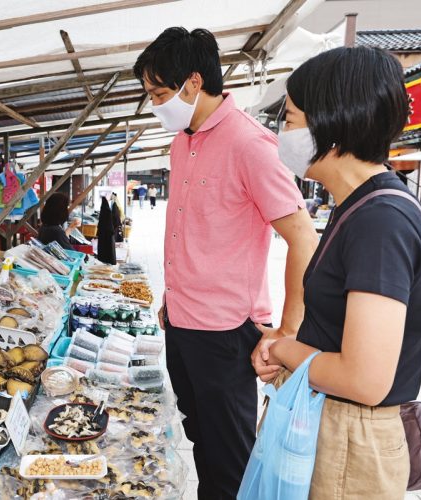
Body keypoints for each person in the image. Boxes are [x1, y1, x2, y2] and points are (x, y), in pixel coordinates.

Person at [134, 27, 318, 498]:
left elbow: (302, 237)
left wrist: (288, 331)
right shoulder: (182, 141)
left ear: (192, 84)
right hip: (181, 322)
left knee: (231, 458)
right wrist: (172, 299)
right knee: (200, 438)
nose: (155, 105)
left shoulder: (251, 144)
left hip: (225, 333)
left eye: (158, 93)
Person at [254, 47, 421, 499]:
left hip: (350, 446)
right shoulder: (357, 207)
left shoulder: (380, 223)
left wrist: (284, 348)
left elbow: (364, 380)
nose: (284, 133)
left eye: (291, 120)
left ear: (332, 125)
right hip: (329, 426)